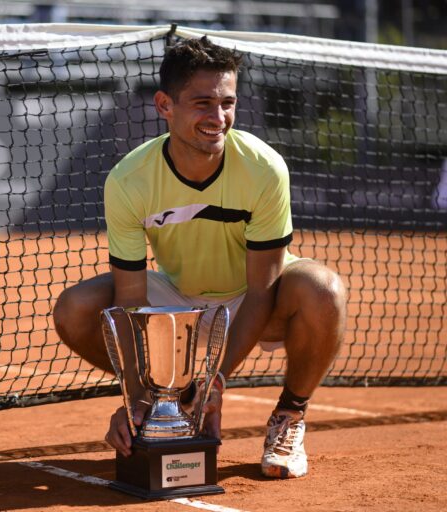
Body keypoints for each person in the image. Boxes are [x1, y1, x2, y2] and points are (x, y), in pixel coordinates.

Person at [52, 36, 347, 479]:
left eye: (227, 102)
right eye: (203, 103)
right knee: (75, 309)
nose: (218, 117)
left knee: (323, 290)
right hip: (177, 303)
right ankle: (167, 402)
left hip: (252, 297)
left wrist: (214, 383)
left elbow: (262, 290)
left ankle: (290, 416)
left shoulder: (264, 169)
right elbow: (131, 302)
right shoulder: (129, 180)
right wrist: (143, 398)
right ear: (164, 105)